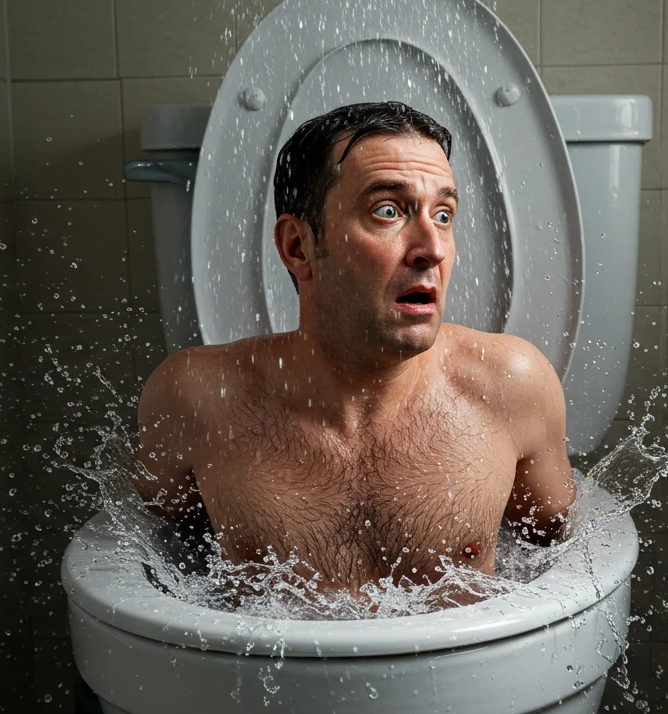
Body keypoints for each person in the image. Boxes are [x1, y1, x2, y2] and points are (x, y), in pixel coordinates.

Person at [132, 101, 576, 602]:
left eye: (443, 215)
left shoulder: (511, 386)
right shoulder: (197, 398)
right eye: (388, 211)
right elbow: (159, 548)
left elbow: (557, 561)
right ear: (298, 247)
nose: (432, 247)